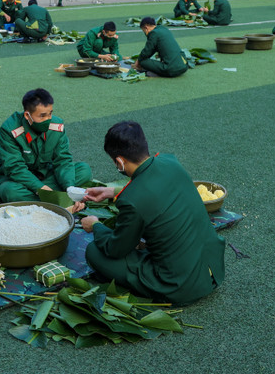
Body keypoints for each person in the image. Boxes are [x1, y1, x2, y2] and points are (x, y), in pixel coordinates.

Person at [80, 121, 225, 305]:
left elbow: (116, 249)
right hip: (213, 270)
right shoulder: (170, 162)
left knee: (94, 251)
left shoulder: (131, 201)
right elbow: (155, 189)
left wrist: (95, 225)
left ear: (119, 162)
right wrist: (113, 191)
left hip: (180, 285)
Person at [0, 88, 92, 202]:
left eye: (50, 113)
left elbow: (63, 160)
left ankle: (47, 198)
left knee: (84, 170)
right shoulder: (9, 130)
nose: (48, 119)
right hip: (20, 180)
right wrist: (40, 188)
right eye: (42, 116)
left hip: (46, 174)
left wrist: (70, 187)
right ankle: (55, 199)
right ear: (27, 115)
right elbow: (14, 168)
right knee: (9, 191)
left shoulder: (56, 125)